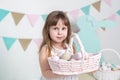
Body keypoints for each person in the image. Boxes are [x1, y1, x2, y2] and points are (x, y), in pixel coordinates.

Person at [39, 11, 78, 80]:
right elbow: (45, 72)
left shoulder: (70, 48)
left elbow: (73, 64)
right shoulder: (46, 49)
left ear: (68, 30)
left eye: (63, 28)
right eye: (55, 28)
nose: (60, 33)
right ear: (48, 30)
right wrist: (62, 73)